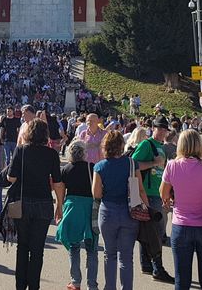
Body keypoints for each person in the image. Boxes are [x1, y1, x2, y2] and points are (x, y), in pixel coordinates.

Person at [160, 129, 202, 290]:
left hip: (181, 226)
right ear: (199, 145)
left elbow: (163, 193)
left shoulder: (172, 166)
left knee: (182, 280)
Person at [7, 119, 63, 290]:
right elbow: (58, 182)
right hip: (44, 202)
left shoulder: (21, 150)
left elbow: (11, 178)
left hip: (23, 201)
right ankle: (34, 286)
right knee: (38, 249)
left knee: (22, 246)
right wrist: (59, 205)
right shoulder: (52, 154)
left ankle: (20, 286)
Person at [93, 129, 146, 290]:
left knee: (109, 253)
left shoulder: (100, 166)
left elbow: (96, 193)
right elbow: (141, 190)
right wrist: (147, 208)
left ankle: (110, 287)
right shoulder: (131, 163)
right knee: (126, 257)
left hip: (108, 211)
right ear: (121, 145)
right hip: (129, 212)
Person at [131, 116, 173, 282]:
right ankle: (156, 267)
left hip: (158, 191)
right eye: (159, 128)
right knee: (155, 232)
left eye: (164, 129)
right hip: (148, 193)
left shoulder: (161, 146)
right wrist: (153, 163)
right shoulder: (146, 144)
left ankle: (147, 264)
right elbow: (133, 163)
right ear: (153, 128)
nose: (162, 132)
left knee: (150, 231)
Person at [55, 140, 98, 290]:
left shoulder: (65, 169)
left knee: (74, 247)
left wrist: (59, 207)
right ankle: (92, 285)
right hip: (89, 208)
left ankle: (75, 281)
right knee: (91, 248)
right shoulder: (91, 167)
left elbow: (60, 191)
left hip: (72, 208)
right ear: (84, 153)